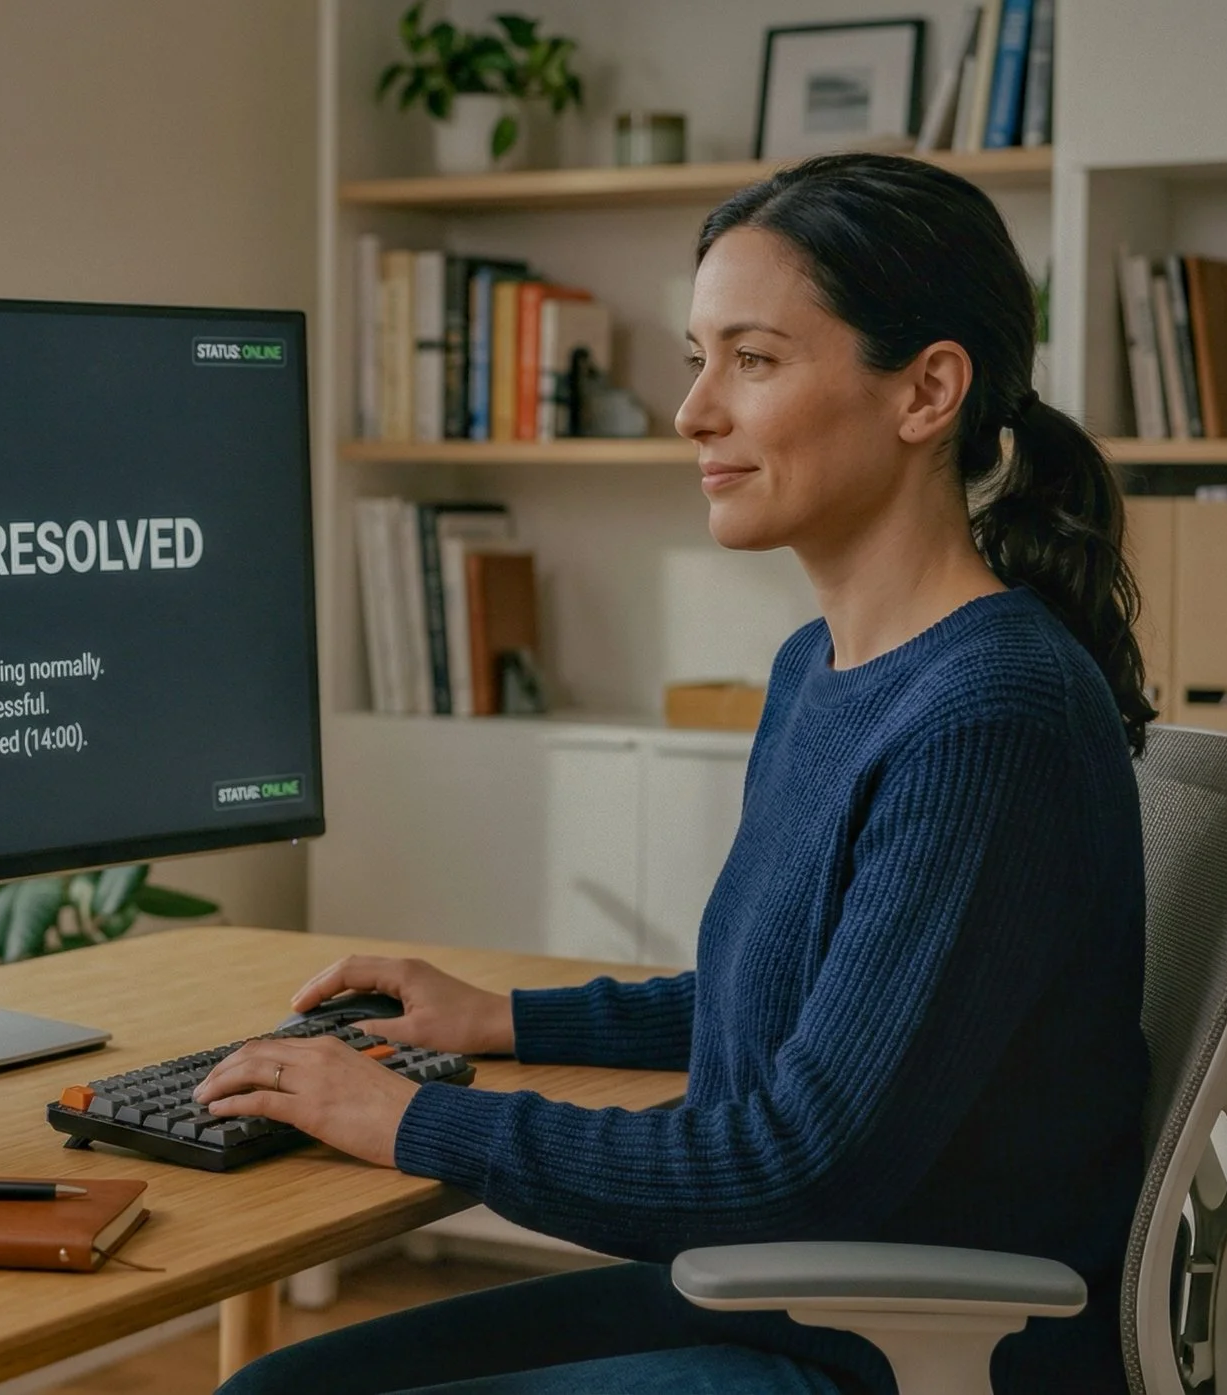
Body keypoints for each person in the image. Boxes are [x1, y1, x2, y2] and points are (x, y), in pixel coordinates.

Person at [199, 152, 1156, 1395]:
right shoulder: (822, 666)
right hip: (791, 1300)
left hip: (898, 1351)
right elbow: (803, 1009)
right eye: (697, 356)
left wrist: (411, 1119)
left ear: (927, 391)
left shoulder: (989, 717)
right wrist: (498, 1020)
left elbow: (799, 1158)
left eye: (750, 361)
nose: (692, 411)